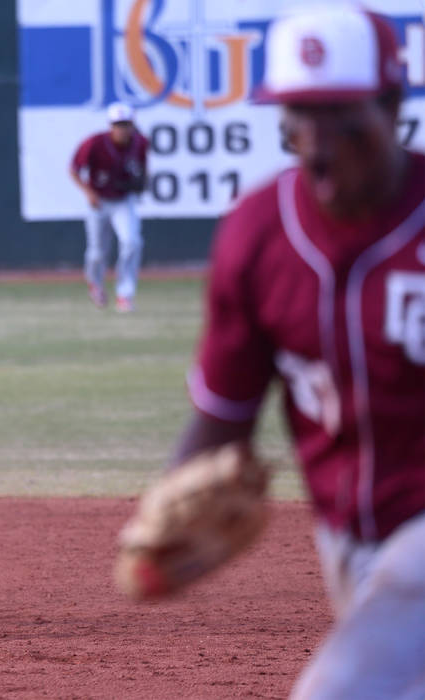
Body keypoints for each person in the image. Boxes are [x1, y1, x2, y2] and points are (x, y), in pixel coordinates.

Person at [166, 6, 425, 697]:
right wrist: (165, 510)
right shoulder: (258, 235)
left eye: (340, 118)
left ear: (393, 106)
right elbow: (226, 412)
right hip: (348, 537)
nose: (316, 143)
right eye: (297, 118)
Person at [70, 102, 149, 312]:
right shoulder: (95, 143)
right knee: (97, 252)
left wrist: (140, 184)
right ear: (110, 125)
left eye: (126, 123)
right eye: (118, 124)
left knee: (132, 242)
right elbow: (74, 169)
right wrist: (89, 193)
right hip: (99, 201)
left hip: (124, 200)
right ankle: (95, 283)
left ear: (132, 124)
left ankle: (125, 294)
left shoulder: (140, 143)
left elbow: (142, 171)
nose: (122, 128)